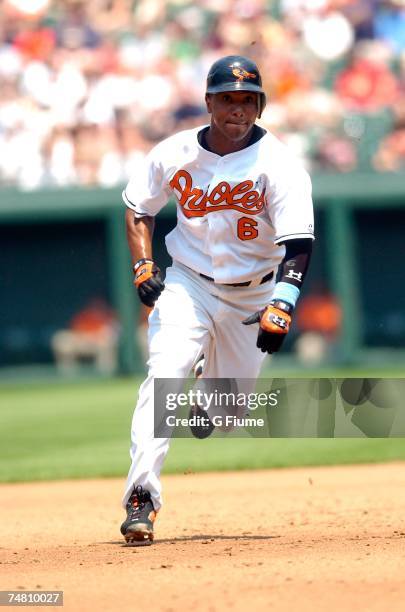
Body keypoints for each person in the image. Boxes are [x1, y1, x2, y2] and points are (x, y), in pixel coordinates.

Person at [120, 55, 314, 544]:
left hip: (255, 290)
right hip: (189, 281)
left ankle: (212, 396)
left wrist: (284, 303)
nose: (238, 108)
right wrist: (143, 265)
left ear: (260, 105)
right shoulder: (175, 152)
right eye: (228, 97)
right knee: (163, 377)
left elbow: (299, 244)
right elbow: (137, 207)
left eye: (248, 100)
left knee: (228, 417)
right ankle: (141, 497)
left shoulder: (280, 164)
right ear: (209, 101)